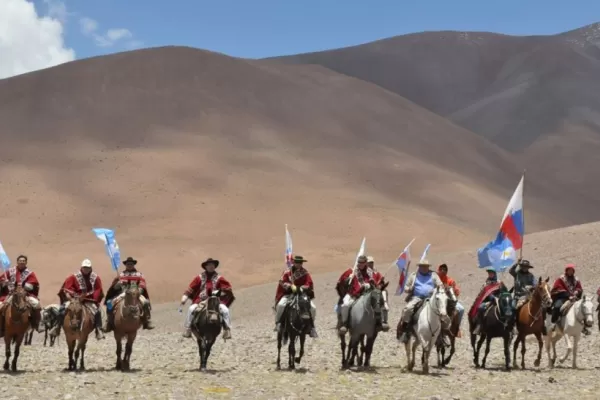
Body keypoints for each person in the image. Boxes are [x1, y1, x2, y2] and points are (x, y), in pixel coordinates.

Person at [180, 258, 235, 340]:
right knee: (191, 309)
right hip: (200, 300)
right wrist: (185, 298)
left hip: (215, 301)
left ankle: (227, 329)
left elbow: (227, 289)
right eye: (209, 265)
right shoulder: (199, 278)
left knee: (225, 310)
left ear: (215, 266)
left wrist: (216, 293)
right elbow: (191, 288)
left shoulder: (219, 278)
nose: (211, 266)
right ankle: (188, 329)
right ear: (205, 267)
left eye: (212, 265)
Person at [51, 259, 105, 340]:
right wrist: (70, 296)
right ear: (81, 267)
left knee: (97, 311)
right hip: (74, 299)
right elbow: (67, 288)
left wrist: (92, 298)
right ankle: (57, 326)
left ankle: (98, 329)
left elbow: (98, 289)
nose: (86, 269)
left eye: (88, 267)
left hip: (88, 300)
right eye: (84, 267)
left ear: (90, 268)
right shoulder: (73, 276)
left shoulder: (95, 277)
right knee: (62, 308)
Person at [104, 256, 155, 332]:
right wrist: (118, 284)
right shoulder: (121, 275)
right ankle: (109, 322)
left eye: (131, 264)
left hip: (136, 294)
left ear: (133, 264)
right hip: (123, 294)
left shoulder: (139, 274)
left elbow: (142, 283)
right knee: (110, 304)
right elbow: (114, 287)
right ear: (125, 265)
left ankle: (146, 321)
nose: (129, 265)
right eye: (128, 264)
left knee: (145, 303)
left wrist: (139, 290)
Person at [397, 259, 443, 343]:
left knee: (442, 310)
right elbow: (406, 288)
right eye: (423, 266)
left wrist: (434, 290)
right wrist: (409, 289)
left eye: (426, 266)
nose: (425, 268)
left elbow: (440, 285)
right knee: (407, 309)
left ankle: (441, 334)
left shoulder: (433, 275)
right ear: (419, 267)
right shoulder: (413, 275)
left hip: (431, 298)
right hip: (417, 298)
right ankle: (405, 331)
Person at [273, 255, 318, 338]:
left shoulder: (305, 272)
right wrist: (290, 286)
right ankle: (278, 323)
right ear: (294, 262)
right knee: (281, 305)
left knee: (313, 308)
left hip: (301, 294)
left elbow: (309, 283)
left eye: (300, 263)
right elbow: (282, 282)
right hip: (288, 294)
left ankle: (312, 327)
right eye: (297, 262)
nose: (299, 264)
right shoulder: (287, 272)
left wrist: (302, 288)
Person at [0, 255, 43, 337]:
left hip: (25, 294)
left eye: (23, 261)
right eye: (20, 261)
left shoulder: (30, 273)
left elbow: (35, 283)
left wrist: (28, 286)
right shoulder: (9, 271)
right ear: (17, 262)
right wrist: (4, 282)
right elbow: (1, 280)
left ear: (26, 262)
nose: (22, 262)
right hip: (9, 294)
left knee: (36, 304)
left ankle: (37, 324)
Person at [337, 255, 376, 335]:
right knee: (345, 305)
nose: (360, 264)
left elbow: (374, 282)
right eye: (359, 262)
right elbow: (340, 282)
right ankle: (344, 323)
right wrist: (347, 279)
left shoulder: (370, 271)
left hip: (366, 294)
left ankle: (378, 322)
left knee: (378, 304)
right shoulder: (351, 271)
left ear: (366, 263)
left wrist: (369, 284)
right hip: (353, 294)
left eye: (362, 262)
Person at [550, 263, 587, 334]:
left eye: (571, 270)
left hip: (574, 297)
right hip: (563, 297)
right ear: (566, 271)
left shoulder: (576, 279)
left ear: (573, 271)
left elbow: (579, 288)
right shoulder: (561, 279)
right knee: (557, 306)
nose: (570, 272)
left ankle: (584, 326)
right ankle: (554, 323)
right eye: (569, 270)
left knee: (583, 307)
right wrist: (568, 295)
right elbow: (557, 289)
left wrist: (577, 291)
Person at [471, 267, 509, 335]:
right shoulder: (486, 283)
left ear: (494, 274)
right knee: (481, 308)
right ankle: (480, 326)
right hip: (488, 301)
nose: (490, 274)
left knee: (508, 306)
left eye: (491, 273)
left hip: (499, 299)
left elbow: (505, 292)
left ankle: (509, 325)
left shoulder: (499, 282)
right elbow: (484, 293)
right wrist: (492, 297)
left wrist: (501, 293)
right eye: (489, 273)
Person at [437, 263, 464, 337]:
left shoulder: (450, 280)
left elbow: (456, 291)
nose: (443, 271)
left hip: (449, 301)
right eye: (441, 269)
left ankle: (457, 327)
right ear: (438, 270)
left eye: (445, 269)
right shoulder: (435, 279)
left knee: (461, 309)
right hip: (438, 300)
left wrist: (453, 291)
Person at [366, 256, 390, 332]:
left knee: (384, 292)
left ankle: (384, 320)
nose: (371, 264)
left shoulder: (376, 271)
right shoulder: (365, 272)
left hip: (377, 289)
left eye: (372, 262)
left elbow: (380, 282)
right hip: (368, 290)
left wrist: (382, 281)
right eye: (369, 263)